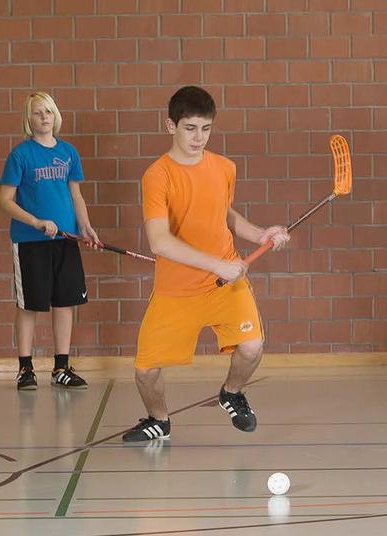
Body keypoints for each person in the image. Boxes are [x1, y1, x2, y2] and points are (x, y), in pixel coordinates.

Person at [122, 86, 290, 442]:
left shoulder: (224, 168)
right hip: (177, 289)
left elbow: (224, 214)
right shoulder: (158, 176)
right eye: (190, 128)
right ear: (170, 126)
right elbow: (159, 242)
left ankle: (231, 392)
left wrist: (260, 234)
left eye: (206, 128)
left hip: (226, 284)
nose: (199, 137)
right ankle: (159, 420)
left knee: (252, 347)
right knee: (145, 371)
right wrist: (216, 265)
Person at [0, 91, 99, 391]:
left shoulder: (69, 152)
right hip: (31, 240)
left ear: (56, 116)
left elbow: (75, 195)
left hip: (65, 239)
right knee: (29, 305)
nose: (44, 118)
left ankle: (61, 367)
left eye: (48, 112)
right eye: (38, 113)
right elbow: (4, 200)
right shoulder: (20, 155)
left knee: (65, 302)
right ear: (28, 119)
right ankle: (25, 368)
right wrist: (36, 222)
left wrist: (86, 226)